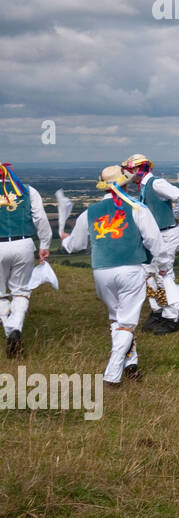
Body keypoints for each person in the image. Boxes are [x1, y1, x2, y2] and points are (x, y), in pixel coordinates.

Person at [60, 166, 164, 384]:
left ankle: (131, 363)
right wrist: (158, 265)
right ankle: (112, 373)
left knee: (117, 319)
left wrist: (64, 240)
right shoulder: (137, 208)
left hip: (101, 271)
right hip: (131, 269)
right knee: (126, 322)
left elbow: (76, 245)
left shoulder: (90, 212)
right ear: (125, 184)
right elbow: (154, 241)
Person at [120, 153, 179, 334]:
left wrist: (176, 216)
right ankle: (158, 310)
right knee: (146, 273)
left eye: (130, 170)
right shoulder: (144, 187)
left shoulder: (156, 183)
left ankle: (172, 317)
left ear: (138, 169)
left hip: (166, 235)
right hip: (153, 236)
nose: (128, 174)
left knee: (164, 275)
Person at [0, 162, 52, 358]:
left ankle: (10, 329)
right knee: (21, 292)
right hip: (24, 244)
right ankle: (15, 328)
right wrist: (45, 244)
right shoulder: (28, 191)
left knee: (0, 294)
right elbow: (41, 219)